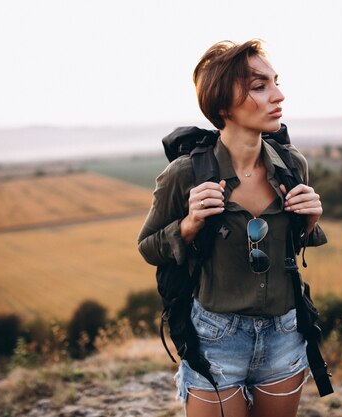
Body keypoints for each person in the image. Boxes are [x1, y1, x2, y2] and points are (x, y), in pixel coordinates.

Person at [137, 39, 323, 417]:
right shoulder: (185, 174)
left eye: (275, 82)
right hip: (214, 340)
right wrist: (188, 225)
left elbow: (293, 244)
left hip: (285, 335)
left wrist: (310, 222)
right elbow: (147, 247)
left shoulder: (292, 166)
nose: (278, 95)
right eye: (260, 86)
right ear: (222, 106)